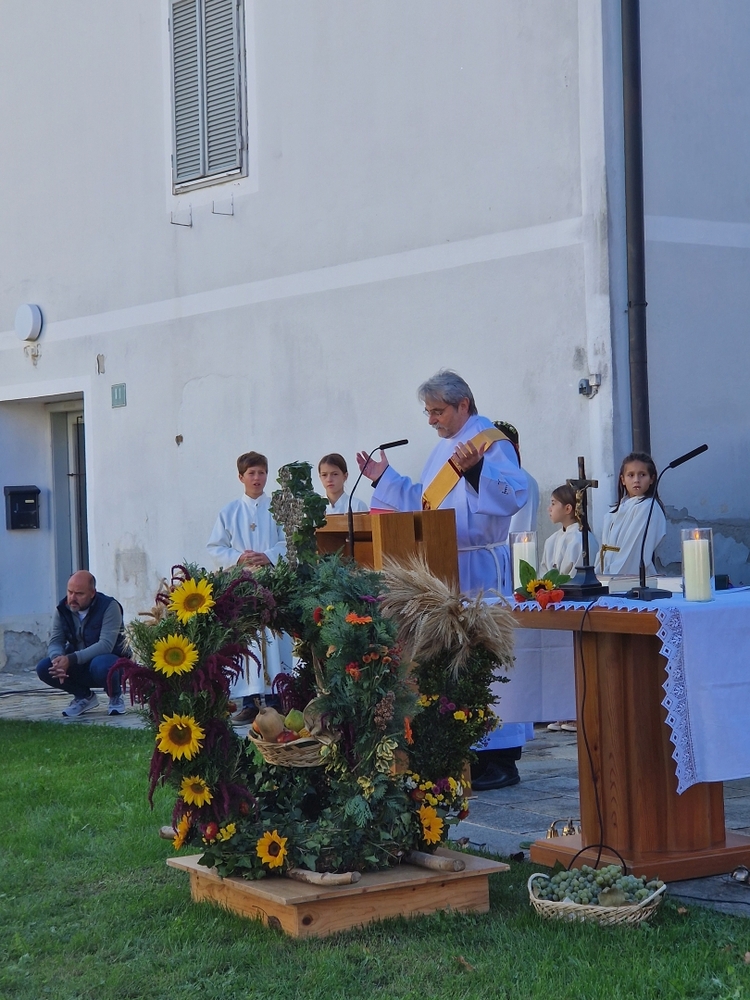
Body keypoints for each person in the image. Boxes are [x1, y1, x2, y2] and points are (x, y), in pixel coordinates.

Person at [357, 370, 527, 596]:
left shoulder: (490, 441)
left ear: (463, 405)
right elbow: (427, 503)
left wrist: (476, 471)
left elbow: (514, 496)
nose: (431, 420)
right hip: (442, 564)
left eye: (438, 412)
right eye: (428, 412)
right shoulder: (442, 447)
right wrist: (385, 479)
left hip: (482, 568)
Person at [207, 451, 292, 724]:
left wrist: (268, 555)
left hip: (273, 582)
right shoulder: (229, 511)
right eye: (251, 473)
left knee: (274, 638)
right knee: (248, 641)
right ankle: (250, 702)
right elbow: (215, 547)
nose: (257, 478)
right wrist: (238, 558)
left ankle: (278, 698)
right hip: (242, 585)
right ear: (240, 477)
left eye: (261, 473)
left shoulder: (278, 509)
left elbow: (289, 542)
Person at [36, 570, 129, 717]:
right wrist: (57, 660)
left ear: (92, 593)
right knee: (44, 667)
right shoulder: (62, 609)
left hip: (109, 662)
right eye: (70, 592)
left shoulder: (109, 607)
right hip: (79, 663)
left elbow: (106, 645)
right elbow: (56, 641)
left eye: (79, 594)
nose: (72, 598)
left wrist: (70, 659)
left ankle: (115, 696)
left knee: (102, 664)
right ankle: (83, 696)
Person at [599, 452, 666, 577]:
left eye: (642, 475)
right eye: (631, 475)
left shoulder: (647, 507)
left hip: (628, 576)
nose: (636, 480)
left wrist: (613, 577)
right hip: (606, 571)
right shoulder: (616, 509)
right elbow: (604, 548)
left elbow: (633, 551)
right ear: (623, 480)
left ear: (652, 479)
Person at [540, 483, 599, 577]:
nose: (549, 509)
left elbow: (579, 578)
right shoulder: (551, 540)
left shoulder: (582, 540)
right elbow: (543, 575)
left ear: (568, 508)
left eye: (553, 503)